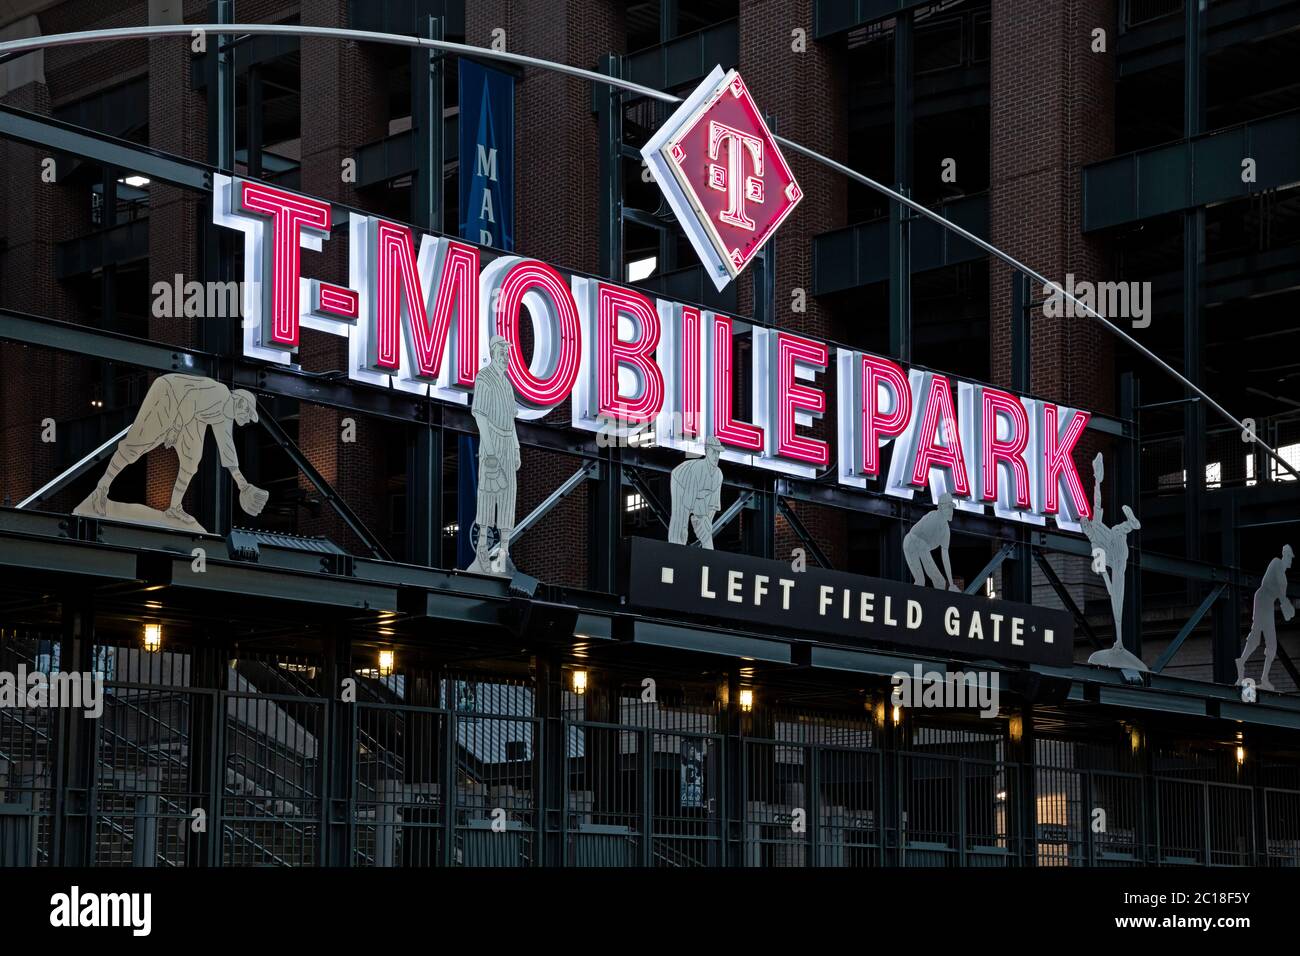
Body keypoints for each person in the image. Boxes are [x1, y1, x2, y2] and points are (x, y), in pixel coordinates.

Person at [88, 374, 266, 526]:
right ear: (241, 404)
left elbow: (227, 448)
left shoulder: (225, 415)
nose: (248, 419)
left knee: (192, 460)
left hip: (190, 413)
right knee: (139, 444)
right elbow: (189, 399)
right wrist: (174, 429)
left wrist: (243, 485)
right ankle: (101, 489)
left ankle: (174, 508)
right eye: (249, 414)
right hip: (169, 393)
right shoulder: (219, 392)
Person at [1080, 453, 1141, 654]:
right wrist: (1109, 587)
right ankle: (1120, 640)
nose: (1086, 522)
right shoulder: (1094, 542)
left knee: (1116, 529)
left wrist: (1097, 479)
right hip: (1116, 560)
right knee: (1118, 597)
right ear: (1085, 529)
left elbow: (1097, 501)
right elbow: (1102, 571)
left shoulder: (1096, 523)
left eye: (1085, 520)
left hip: (1117, 547)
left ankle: (1131, 524)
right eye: (1084, 524)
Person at [470, 336, 520, 573]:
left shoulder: (507, 384)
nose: (506, 356)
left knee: (508, 496)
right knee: (488, 495)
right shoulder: (484, 377)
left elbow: (511, 419)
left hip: (508, 440)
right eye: (502, 351)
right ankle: (481, 549)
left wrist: (517, 448)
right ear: (493, 352)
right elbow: (480, 415)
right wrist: (489, 452)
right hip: (492, 438)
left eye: (507, 352)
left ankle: (504, 551)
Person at [1236, 544, 1294, 693]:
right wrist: (1285, 602)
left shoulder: (1285, 581)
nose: (1290, 560)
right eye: (1288, 556)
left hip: (1268, 606)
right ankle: (1241, 663)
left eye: (1291, 557)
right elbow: (1268, 585)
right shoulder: (1276, 563)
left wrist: (1285, 605)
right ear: (1284, 555)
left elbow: (1281, 596)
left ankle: (1264, 678)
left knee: (1272, 644)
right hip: (1262, 599)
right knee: (1255, 637)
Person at [669, 437, 724, 549]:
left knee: (706, 525)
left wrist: (706, 523)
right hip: (680, 481)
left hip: (699, 494)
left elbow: (713, 505)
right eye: (713, 451)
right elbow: (688, 502)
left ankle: (709, 553)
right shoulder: (697, 469)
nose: (716, 456)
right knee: (680, 519)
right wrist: (698, 517)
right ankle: (675, 550)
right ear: (706, 451)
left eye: (718, 452)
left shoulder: (719, 474)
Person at [903, 492, 959, 590]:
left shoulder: (946, 531)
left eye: (952, 508)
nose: (951, 511)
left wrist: (951, 584)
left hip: (923, 547)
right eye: (948, 507)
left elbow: (945, 557)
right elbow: (919, 540)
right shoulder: (933, 516)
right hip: (912, 542)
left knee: (940, 582)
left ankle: (936, 603)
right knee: (921, 581)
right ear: (941, 508)